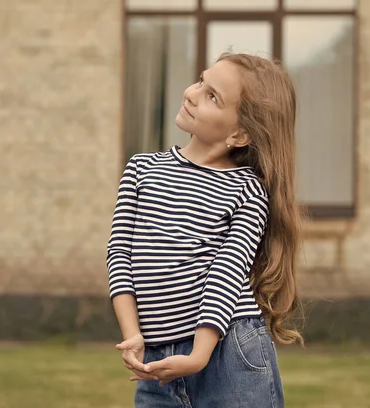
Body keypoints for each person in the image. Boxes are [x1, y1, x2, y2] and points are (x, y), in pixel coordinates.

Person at [106, 52, 303, 408]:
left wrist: (199, 355)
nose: (191, 93)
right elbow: (120, 255)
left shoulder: (247, 190)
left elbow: (226, 273)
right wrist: (133, 335)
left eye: (212, 96)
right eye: (200, 81)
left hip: (227, 354)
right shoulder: (141, 169)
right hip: (157, 361)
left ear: (240, 133)